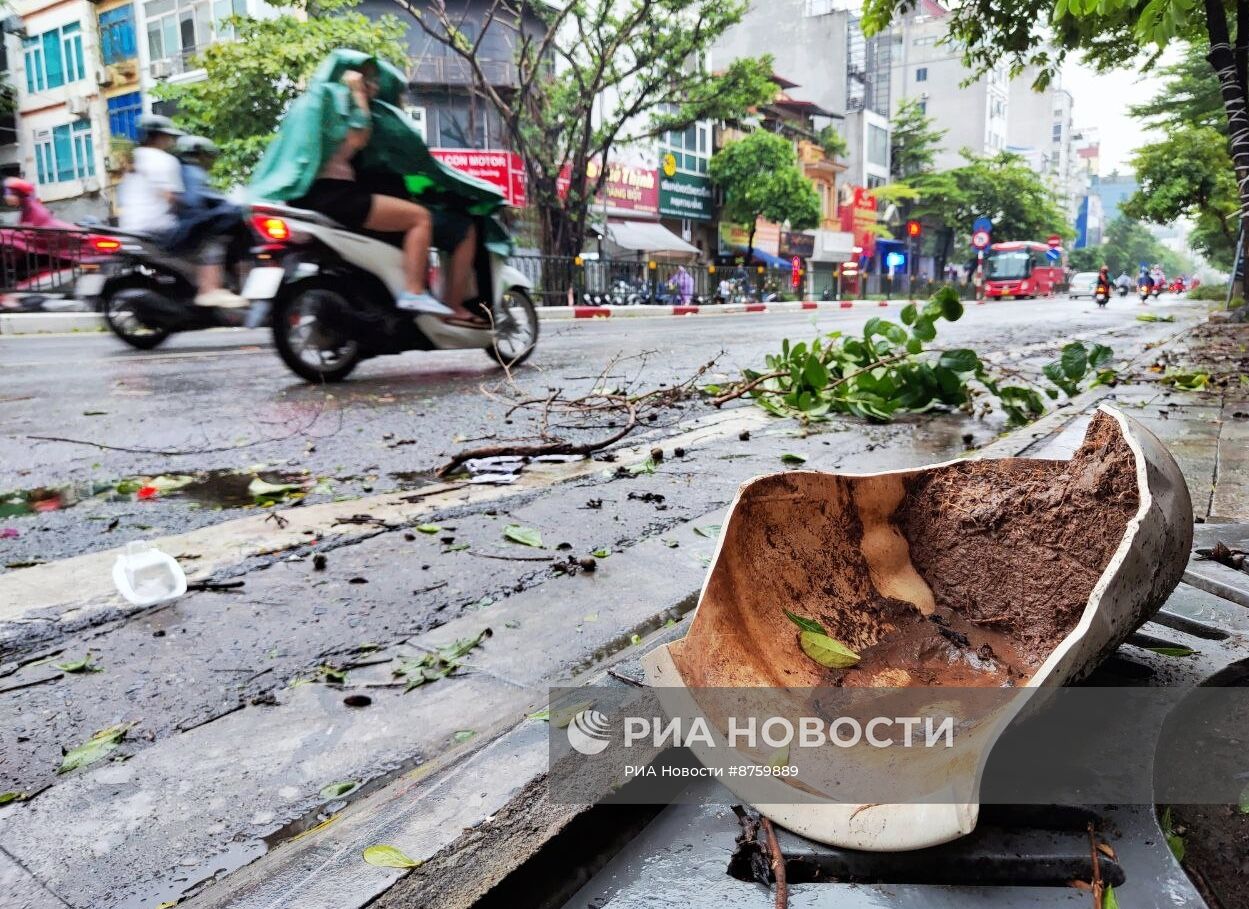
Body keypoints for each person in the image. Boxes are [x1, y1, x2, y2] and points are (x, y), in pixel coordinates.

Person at [249, 50, 502, 329]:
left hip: (311, 197)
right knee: (421, 217)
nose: (372, 87)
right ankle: (417, 293)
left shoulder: (309, 104)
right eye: (367, 80)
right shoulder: (341, 105)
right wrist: (359, 97)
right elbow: (361, 138)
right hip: (336, 195)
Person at [118, 114, 246, 308]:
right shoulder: (164, 160)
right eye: (167, 136)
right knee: (211, 236)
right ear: (158, 137)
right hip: (158, 229)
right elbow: (173, 198)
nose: (171, 141)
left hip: (132, 230)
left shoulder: (134, 161)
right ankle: (209, 290)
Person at [167, 135, 251, 292]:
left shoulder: (185, 171)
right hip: (191, 230)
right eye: (208, 156)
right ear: (198, 155)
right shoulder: (191, 172)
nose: (211, 161)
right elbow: (197, 200)